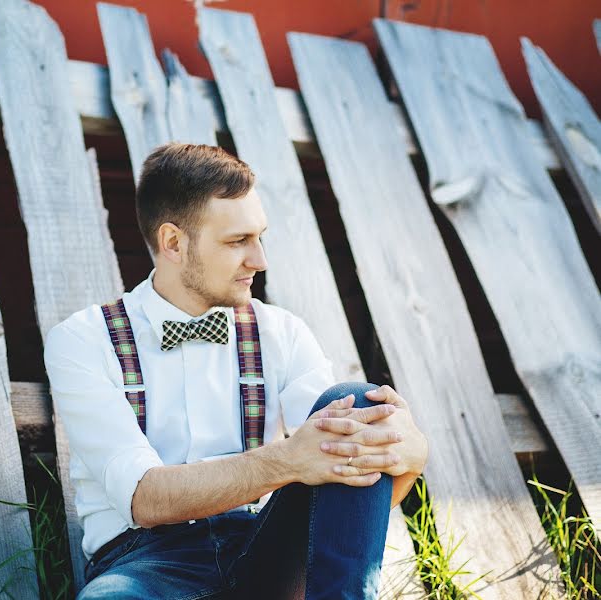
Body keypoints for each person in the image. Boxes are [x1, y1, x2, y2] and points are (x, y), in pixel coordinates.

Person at [44, 143, 428, 599]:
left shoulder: (281, 331)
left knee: (358, 402)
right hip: (145, 565)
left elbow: (348, 476)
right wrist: (288, 459)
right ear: (173, 243)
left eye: (259, 236)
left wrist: (409, 449)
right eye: (237, 241)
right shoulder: (84, 339)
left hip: (267, 549)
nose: (260, 259)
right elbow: (144, 499)